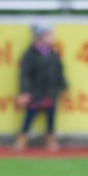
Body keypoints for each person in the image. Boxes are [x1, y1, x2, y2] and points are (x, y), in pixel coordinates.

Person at [15, 21, 68, 151]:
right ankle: (22, 138)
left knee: (51, 117)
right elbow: (25, 75)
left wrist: (63, 84)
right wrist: (25, 92)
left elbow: (59, 71)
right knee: (30, 116)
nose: (53, 38)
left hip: (50, 91)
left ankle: (51, 139)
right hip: (35, 93)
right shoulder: (29, 55)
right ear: (40, 37)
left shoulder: (53, 54)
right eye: (50, 35)